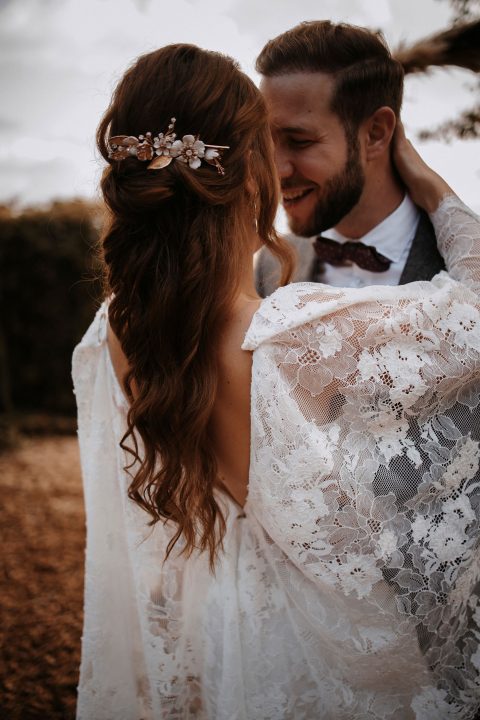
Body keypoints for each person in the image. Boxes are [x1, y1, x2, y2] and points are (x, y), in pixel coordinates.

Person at [73, 43, 480, 720]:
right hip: (331, 651)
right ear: (250, 173)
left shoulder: (111, 332)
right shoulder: (285, 337)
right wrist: (432, 185)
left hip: (233, 633)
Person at [254, 21, 445, 297]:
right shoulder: (271, 265)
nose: (276, 171)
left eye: (299, 141)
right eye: (266, 142)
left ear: (376, 134)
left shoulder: (464, 261)